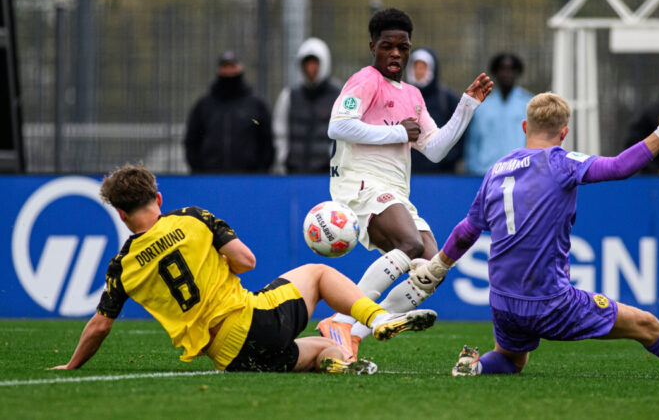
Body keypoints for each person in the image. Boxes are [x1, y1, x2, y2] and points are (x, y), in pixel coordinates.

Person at [408, 92, 659, 378]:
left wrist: (439, 266)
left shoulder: (496, 171)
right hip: (549, 302)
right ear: (564, 133)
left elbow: (468, 229)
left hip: (502, 303)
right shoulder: (561, 162)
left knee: (511, 359)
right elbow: (619, 167)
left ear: (524, 126)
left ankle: (478, 366)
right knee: (645, 325)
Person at [49, 165, 437, 374]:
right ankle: (378, 318)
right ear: (158, 197)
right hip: (252, 321)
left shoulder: (123, 265)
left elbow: (100, 325)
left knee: (321, 350)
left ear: (120, 214)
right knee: (318, 274)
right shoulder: (191, 218)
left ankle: (336, 359)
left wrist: (72, 364)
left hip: (229, 357)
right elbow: (246, 260)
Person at [319, 8, 493, 358]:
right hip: (360, 183)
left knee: (435, 266)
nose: (396, 54)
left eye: (403, 47)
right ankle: (341, 318)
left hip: (394, 192)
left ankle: (351, 334)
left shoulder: (413, 96)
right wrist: (397, 131)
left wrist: (466, 106)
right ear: (373, 47)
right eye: (388, 46)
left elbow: (436, 149)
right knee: (409, 242)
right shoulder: (366, 80)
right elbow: (337, 126)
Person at [184, 51, 275, 174]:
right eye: (225, 67)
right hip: (210, 178)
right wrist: (199, 171)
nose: (229, 72)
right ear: (219, 70)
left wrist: (259, 172)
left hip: (249, 179)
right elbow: (192, 141)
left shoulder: (257, 105)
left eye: (232, 67)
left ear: (240, 68)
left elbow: (267, 141)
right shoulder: (204, 106)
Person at [272, 38, 342, 174]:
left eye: (315, 64)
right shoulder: (289, 96)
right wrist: (282, 161)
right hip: (294, 173)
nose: (311, 69)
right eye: (307, 64)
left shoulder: (339, 96)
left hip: (326, 174)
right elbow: (280, 133)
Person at [464, 53, 532, 175]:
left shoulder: (528, 103)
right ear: (495, 72)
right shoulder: (482, 105)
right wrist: (472, 168)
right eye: (502, 69)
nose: (507, 74)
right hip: (485, 172)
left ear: (517, 72)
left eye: (511, 69)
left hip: (519, 171)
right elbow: (473, 141)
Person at [406, 47, 462, 173]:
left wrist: (448, 159)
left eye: (423, 67)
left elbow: (460, 131)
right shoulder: (401, 97)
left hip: (442, 174)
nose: (419, 71)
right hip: (409, 172)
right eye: (416, 67)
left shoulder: (447, 100)